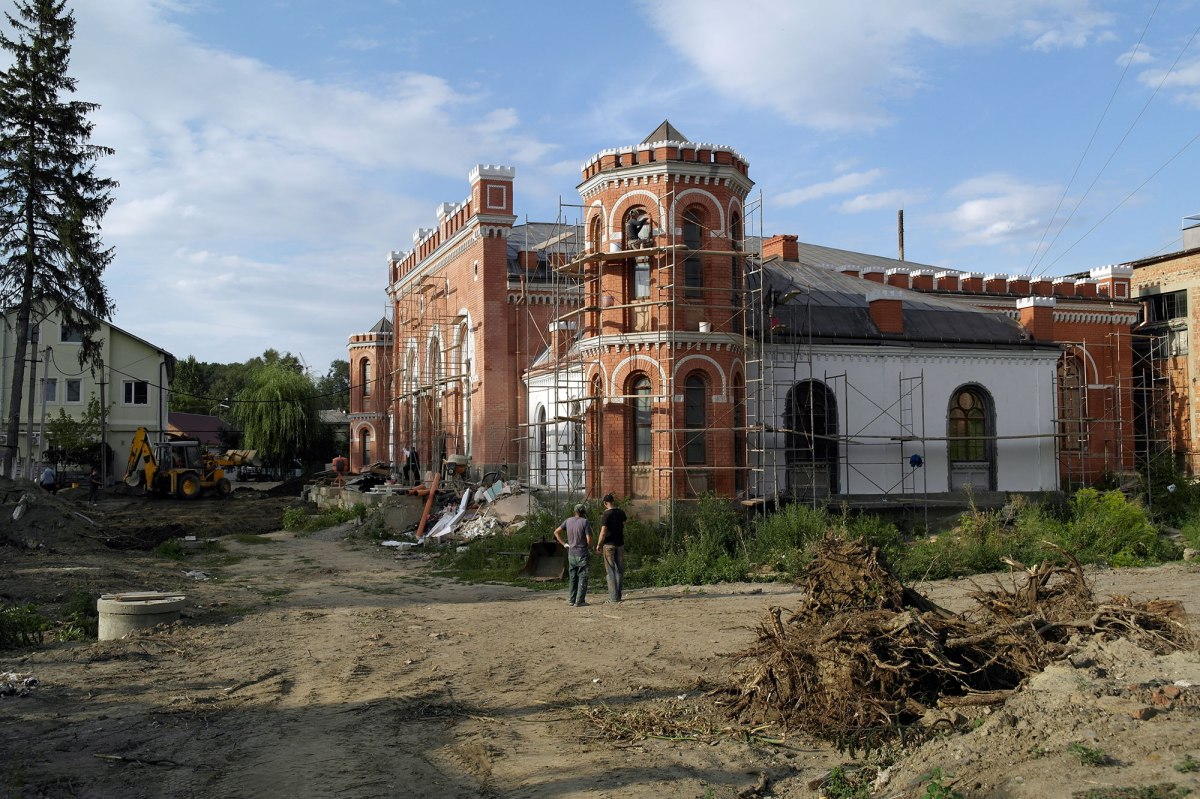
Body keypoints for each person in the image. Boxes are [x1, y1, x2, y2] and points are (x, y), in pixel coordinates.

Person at [553, 503, 593, 607]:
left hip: (571, 553)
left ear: (574, 511)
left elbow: (556, 532)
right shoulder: (585, 522)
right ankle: (580, 601)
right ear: (584, 512)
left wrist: (564, 544)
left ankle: (571, 600)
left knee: (573, 577)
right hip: (582, 553)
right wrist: (588, 547)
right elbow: (589, 540)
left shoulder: (568, 521)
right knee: (582, 577)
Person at [596, 493, 627, 603]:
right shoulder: (621, 512)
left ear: (605, 503)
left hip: (609, 544)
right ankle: (618, 595)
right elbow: (624, 524)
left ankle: (613, 597)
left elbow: (603, 531)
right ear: (613, 501)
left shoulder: (606, 515)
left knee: (610, 570)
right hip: (620, 543)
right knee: (620, 570)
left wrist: (599, 544)